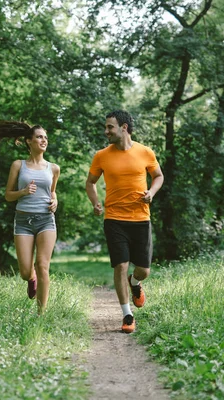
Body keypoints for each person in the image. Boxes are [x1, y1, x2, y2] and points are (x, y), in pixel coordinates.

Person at [85, 110, 164, 333]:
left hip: (140, 218)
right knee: (120, 265)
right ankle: (127, 315)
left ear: (124, 128)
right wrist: (95, 203)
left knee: (144, 271)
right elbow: (90, 183)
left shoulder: (145, 152)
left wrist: (152, 192)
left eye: (110, 126)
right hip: (114, 219)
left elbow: (158, 176)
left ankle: (135, 283)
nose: (106, 131)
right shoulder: (101, 155)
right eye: (106, 127)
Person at [0, 120, 60, 314]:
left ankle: (41, 314)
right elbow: (7, 195)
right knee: (25, 272)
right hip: (23, 221)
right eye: (39, 137)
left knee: (42, 265)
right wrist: (22, 192)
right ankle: (31, 279)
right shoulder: (18, 165)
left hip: (46, 220)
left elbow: (53, 192)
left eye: (46, 137)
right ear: (29, 141)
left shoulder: (53, 168)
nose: (44, 140)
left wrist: (55, 201)